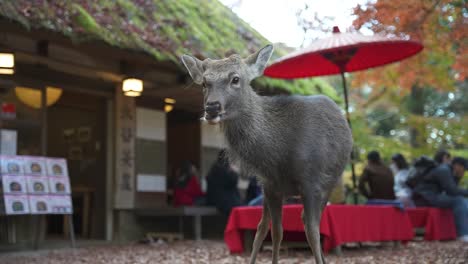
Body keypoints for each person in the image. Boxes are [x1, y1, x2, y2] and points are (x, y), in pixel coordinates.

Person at [413, 157, 468, 242]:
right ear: (458, 166)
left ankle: (464, 231)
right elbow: (452, 190)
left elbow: (452, 191)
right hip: (425, 197)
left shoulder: (449, 171)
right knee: (459, 201)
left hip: (432, 196)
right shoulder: (443, 170)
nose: (464, 172)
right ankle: (462, 234)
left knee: (464, 201)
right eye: (464, 169)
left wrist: (457, 177)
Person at [206, 150, 242, 215]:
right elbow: (233, 181)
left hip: (220, 200)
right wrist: (234, 171)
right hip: (224, 202)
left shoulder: (216, 168)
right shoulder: (221, 170)